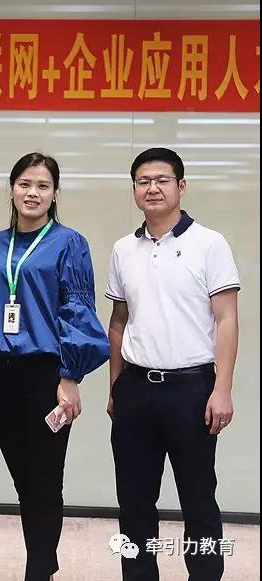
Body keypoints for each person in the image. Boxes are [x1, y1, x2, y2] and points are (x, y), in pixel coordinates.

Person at [106, 147, 240, 581]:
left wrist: (222, 389)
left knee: (198, 500)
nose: (153, 188)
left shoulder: (210, 243)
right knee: (134, 502)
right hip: (135, 388)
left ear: (181, 186)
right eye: (143, 181)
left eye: (162, 180)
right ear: (133, 190)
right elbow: (118, 322)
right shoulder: (123, 249)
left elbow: (227, 319)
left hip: (192, 390)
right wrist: (115, 386)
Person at [0, 152, 109, 581]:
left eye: (42, 186)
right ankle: (44, 561)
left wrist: (70, 376)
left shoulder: (69, 242)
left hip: (47, 374)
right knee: (22, 476)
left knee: (45, 475)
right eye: (24, 184)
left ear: (55, 193)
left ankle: (38, 568)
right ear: (12, 189)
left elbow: (78, 309)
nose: (32, 193)